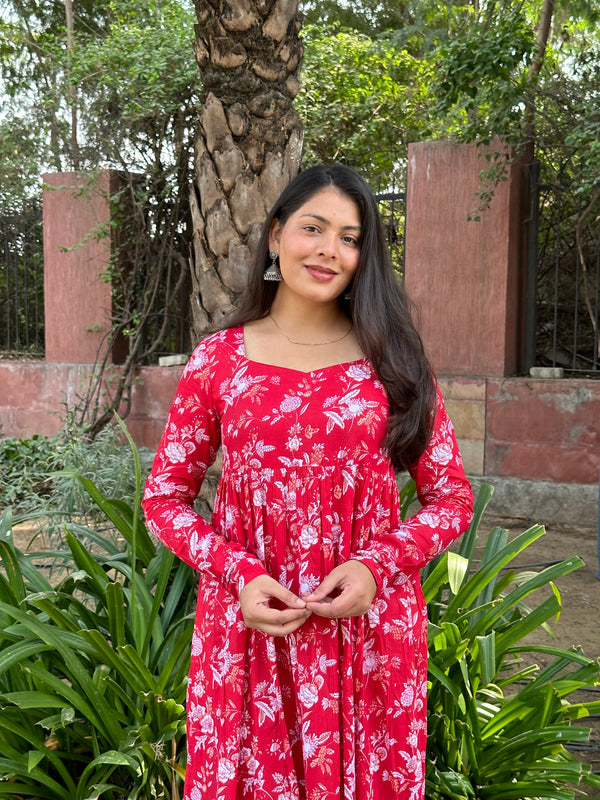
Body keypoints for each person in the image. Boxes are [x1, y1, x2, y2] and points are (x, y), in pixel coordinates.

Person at [142, 164, 474, 800]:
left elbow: (451, 495)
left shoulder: (393, 358)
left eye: (350, 238)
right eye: (313, 228)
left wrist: (378, 566)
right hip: (247, 634)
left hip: (368, 633)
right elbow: (164, 499)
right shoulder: (219, 359)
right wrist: (239, 574)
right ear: (274, 236)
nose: (330, 250)